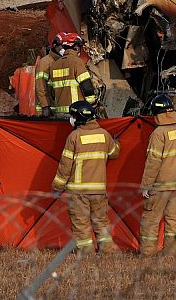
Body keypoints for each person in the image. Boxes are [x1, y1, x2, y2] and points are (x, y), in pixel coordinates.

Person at [52, 99, 118, 253]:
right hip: (99, 191)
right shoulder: (104, 135)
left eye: (72, 116)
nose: (71, 119)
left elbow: (65, 165)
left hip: (78, 191)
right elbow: (114, 153)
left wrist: (57, 186)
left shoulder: (74, 137)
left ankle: (86, 253)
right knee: (101, 221)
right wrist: (116, 143)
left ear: (78, 118)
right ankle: (107, 250)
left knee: (80, 223)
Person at [138, 93, 176, 255]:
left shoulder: (158, 134)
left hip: (161, 185)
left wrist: (146, 185)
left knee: (150, 220)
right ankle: (171, 253)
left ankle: (147, 254)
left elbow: (153, 162)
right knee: (173, 221)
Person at [35, 33, 95, 119]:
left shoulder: (56, 63)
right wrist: (45, 106)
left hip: (58, 110)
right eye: (62, 46)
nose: (63, 48)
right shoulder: (45, 63)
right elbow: (40, 87)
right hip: (54, 110)